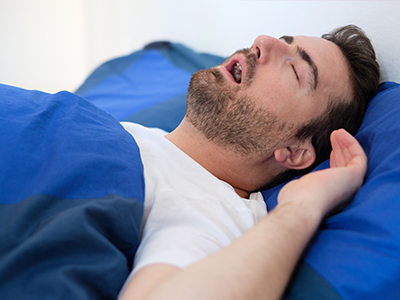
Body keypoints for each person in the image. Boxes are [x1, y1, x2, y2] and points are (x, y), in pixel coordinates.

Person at [119, 25, 380, 300]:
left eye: (294, 69)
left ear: (294, 152)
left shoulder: (209, 211)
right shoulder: (136, 136)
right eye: (282, 41)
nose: (262, 41)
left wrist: (302, 205)